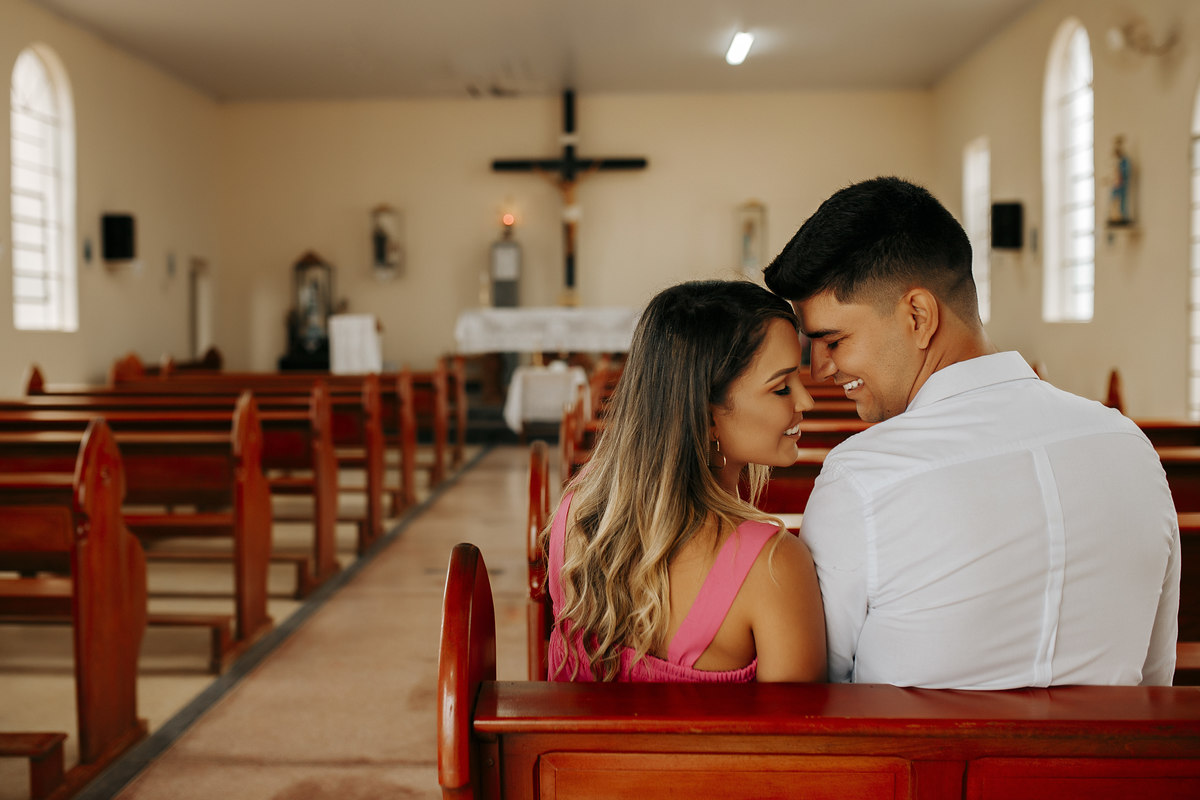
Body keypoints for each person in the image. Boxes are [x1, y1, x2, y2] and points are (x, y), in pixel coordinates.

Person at [763, 176, 1180, 689]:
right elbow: (1156, 678)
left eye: (833, 339)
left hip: (929, 770)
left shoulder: (865, 477)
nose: (822, 368)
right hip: (1117, 771)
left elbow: (822, 690)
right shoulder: (1129, 446)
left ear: (918, 315)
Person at [545, 280, 827, 683]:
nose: (806, 401)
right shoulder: (772, 567)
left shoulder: (578, 511)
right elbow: (797, 742)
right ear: (708, 415)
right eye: (781, 387)